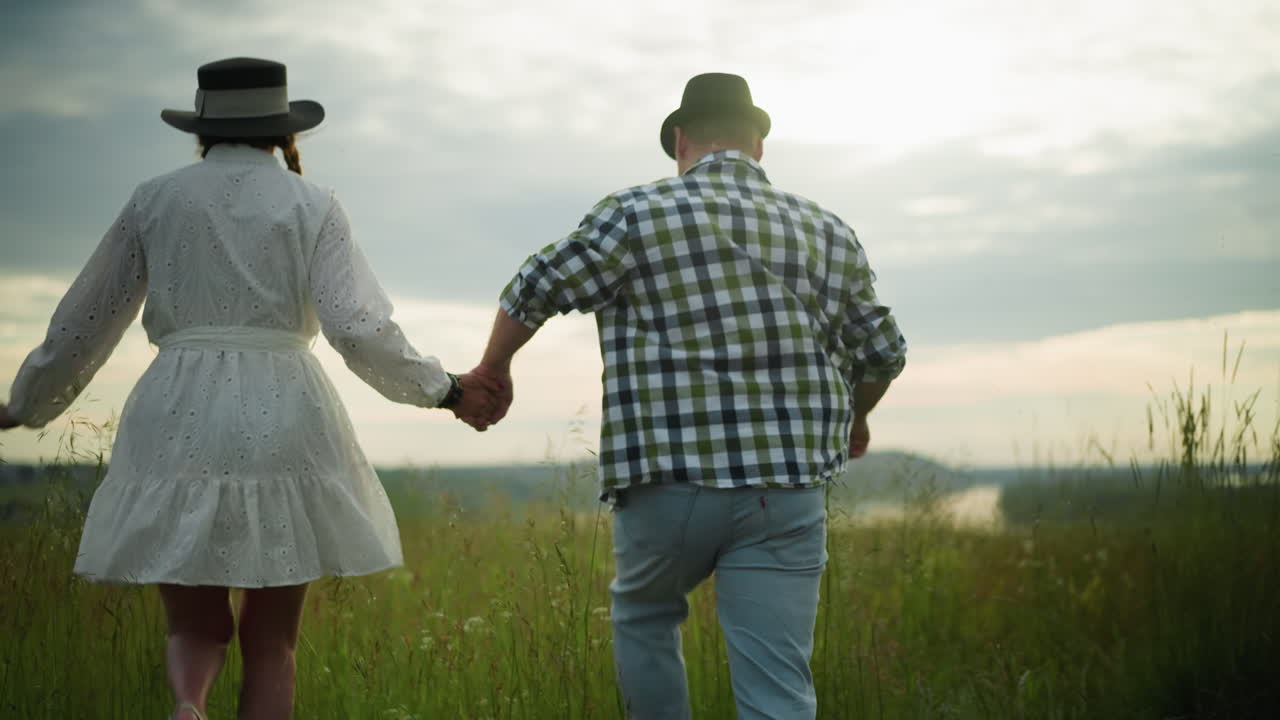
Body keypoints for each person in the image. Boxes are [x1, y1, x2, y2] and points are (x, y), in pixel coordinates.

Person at [0, 57, 496, 720]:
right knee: (273, 642)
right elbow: (357, 327)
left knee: (192, 624)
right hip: (285, 407)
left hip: (177, 406)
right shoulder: (314, 204)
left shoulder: (155, 197)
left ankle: (187, 704)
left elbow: (85, 318)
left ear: (203, 127)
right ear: (281, 131)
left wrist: (25, 403)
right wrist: (444, 391)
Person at [468, 73, 907, 719]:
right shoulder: (827, 229)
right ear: (758, 145)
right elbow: (882, 352)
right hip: (785, 489)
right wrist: (856, 418)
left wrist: (492, 369)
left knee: (646, 617)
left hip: (667, 480)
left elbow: (536, 285)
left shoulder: (634, 213)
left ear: (680, 141)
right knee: (778, 682)